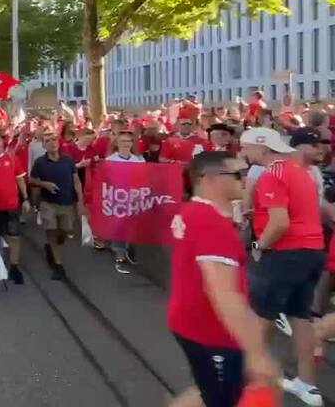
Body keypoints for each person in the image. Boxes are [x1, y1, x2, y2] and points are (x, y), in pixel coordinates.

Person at [168, 151, 279, 407]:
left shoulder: (192, 211)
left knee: (210, 389)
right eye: (237, 173)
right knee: (222, 398)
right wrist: (257, 353)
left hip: (190, 321)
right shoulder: (210, 223)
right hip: (212, 332)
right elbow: (223, 293)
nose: (246, 178)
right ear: (208, 179)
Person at [239, 127, 325, 406]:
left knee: (262, 318)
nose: (244, 154)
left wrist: (259, 245)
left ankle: (245, 382)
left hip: (285, 253)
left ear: (262, 148)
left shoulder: (271, 175)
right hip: (312, 251)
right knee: (301, 318)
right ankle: (307, 384)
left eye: (247, 148)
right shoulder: (302, 172)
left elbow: (280, 223)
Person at [30, 133, 86, 281]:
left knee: (65, 231)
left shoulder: (68, 161)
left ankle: (52, 245)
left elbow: (76, 181)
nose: (52, 143)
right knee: (51, 230)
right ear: (43, 146)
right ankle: (58, 265)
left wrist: (80, 202)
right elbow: (32, 180)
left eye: (54, 140)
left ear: (58, 143)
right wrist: (44, 184)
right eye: (47, 141)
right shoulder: (40, 163)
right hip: (48, 202)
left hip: (67, 203)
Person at [0, 130, 30, 284]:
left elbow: (20, 180)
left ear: (2, 142)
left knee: (14, 236)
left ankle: (14, 267)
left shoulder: (12, 158)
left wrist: (26, 198)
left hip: (11, 204)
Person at [105, 131, 144, 275]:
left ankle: (130, 252)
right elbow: (107, 179)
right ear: (117, 143)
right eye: (122, 141)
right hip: (118, 197)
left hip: (134, 196)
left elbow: (144, 176)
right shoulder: (111, 160)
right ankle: (120, 255)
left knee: (132, 226)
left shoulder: (138, 159)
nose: (126, 144)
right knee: (120, 226)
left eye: (128, 141)